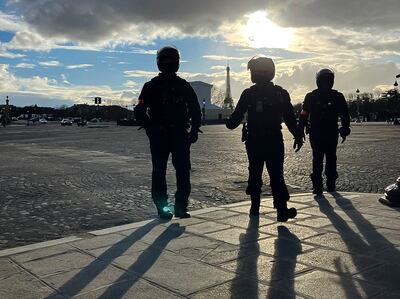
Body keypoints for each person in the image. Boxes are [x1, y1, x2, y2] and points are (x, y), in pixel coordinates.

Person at [225, 56, 303, 222]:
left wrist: (228, 122)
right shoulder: (280, 93)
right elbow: (290, 118)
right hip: (274, 139)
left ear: (254, 74)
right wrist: (297, 135)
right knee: (276, 174)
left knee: (254, 172)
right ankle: (281, 209)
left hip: (254, 140)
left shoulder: (248, 94)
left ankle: (255, 208)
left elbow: (235, 119)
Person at [134, 46, 202, 219]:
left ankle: (179, 207)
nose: (168, 63)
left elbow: (195, 110)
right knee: (161, 172)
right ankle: (164, 207)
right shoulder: (151, 86)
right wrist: (150, 128)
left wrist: (194, 130)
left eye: (170, 60)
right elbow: (140, 110)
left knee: (180, 172)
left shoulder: (183, 86)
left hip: (178, 134)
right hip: (161, 135)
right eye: (165, 60)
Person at [299, 69, 350, 195]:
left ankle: (330, 183)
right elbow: (304, 113)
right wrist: (300, 128)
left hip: (330, 132)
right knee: (319, 158)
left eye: (328, 81)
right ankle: (318, 184)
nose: (326, 84)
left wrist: (345, 127)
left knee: (329, 158)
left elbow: (344, 114)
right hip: (317, 132)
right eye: (324, 81)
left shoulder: (337, 96)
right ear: (318, 82)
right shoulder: (311, 96)